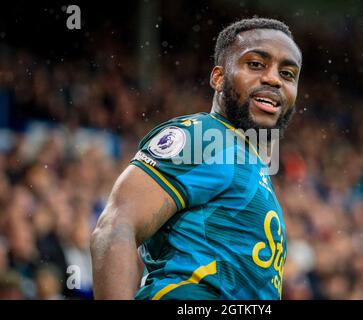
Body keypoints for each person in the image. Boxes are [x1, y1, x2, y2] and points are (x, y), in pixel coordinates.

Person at [90, 17, 302, 300]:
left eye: (288, 74)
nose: (274, 79)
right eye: (255, 64)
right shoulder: (203, 136)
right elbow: (115, 226)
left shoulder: (248, 162)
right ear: (218, 78)